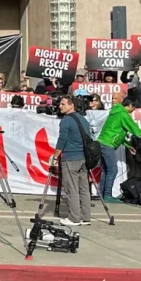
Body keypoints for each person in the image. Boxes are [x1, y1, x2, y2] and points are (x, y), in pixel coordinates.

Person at [52, 95, 93, 227]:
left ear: (71, 105)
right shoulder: (83, 120)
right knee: (84, 189)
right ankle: (86, 217)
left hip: (70, 158)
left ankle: (74, 218)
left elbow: (62, 140)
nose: (60, 106)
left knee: (72, 189)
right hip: (83, 158)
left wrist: (55, 157)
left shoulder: (66, 120)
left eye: (63, 104)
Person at [97, 94, 141, 203]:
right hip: (108, 144)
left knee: (106, 170)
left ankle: (102, 194)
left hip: (102, 142)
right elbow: (133, 127)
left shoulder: (115, 112)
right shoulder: (123, 113)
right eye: (134, 108)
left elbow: (117, 133)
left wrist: (128, 145)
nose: (134, 110)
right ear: (130, 105)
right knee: (113, 170)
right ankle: (107, 195)